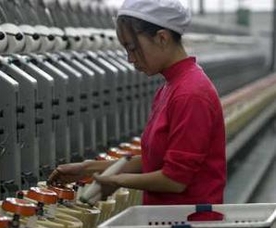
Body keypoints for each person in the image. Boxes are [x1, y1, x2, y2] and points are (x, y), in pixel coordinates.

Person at [48, 0, 226, 210]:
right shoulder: (171, 87)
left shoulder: (190, 93)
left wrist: (116, 181)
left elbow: (174, 180)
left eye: (132, 48)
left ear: (162, 38)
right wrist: (88, 169)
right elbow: (155, 162)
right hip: (167, 223)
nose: (129, 58)